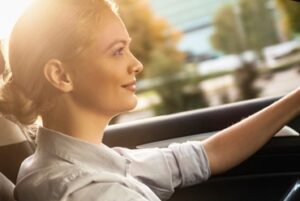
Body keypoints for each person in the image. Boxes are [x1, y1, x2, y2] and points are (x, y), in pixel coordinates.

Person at [0, 0, 299, 200]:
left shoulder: (81, 164)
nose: (137, 64)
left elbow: (206, 156)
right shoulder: (91, 192)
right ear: (61, 76)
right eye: (117, 51)